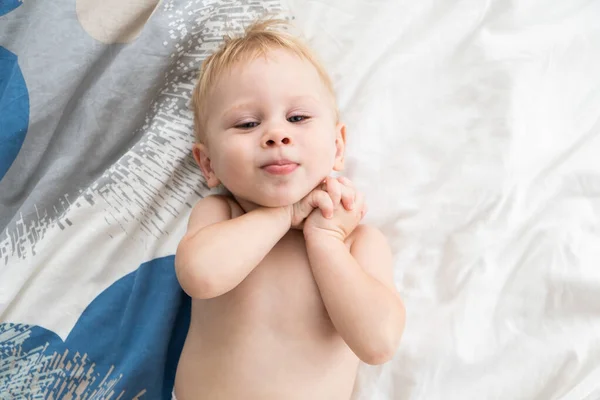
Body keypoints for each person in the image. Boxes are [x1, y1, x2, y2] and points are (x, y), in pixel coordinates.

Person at [174, 18, 405, 400]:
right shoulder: (220, 215)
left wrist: (325, 239)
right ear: (208, 164)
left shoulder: (358, 241)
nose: (277, 134)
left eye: (297, 118)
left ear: (337, 145)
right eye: (247, 123)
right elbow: (200, 276)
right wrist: (282, 215)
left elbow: (378, 343)